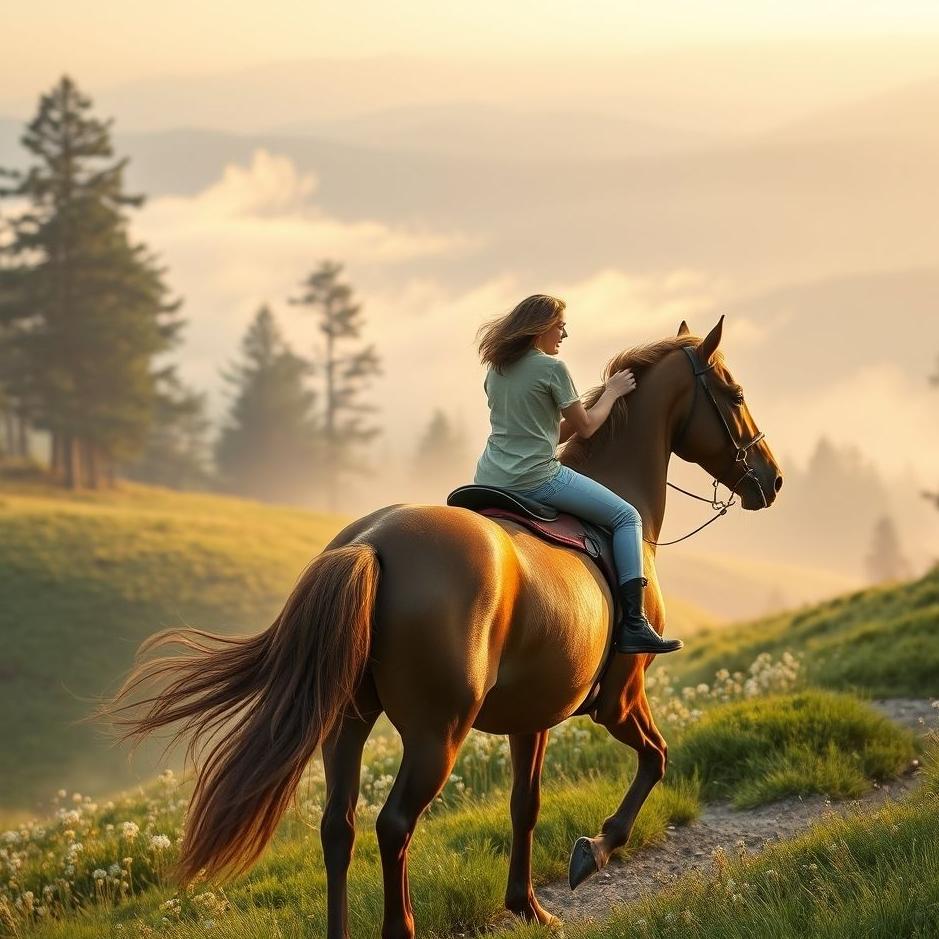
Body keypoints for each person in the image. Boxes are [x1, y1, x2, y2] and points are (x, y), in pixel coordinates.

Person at [473, 294, 683, 655]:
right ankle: (634, 623)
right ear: (541, 328)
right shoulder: (552, 370)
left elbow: (546, 434)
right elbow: (585, 429)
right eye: (560, 326)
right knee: (626, 515)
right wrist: (613, 393)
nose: (564, 334)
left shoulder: (497, 369)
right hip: (536, 479)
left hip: (488, 478)